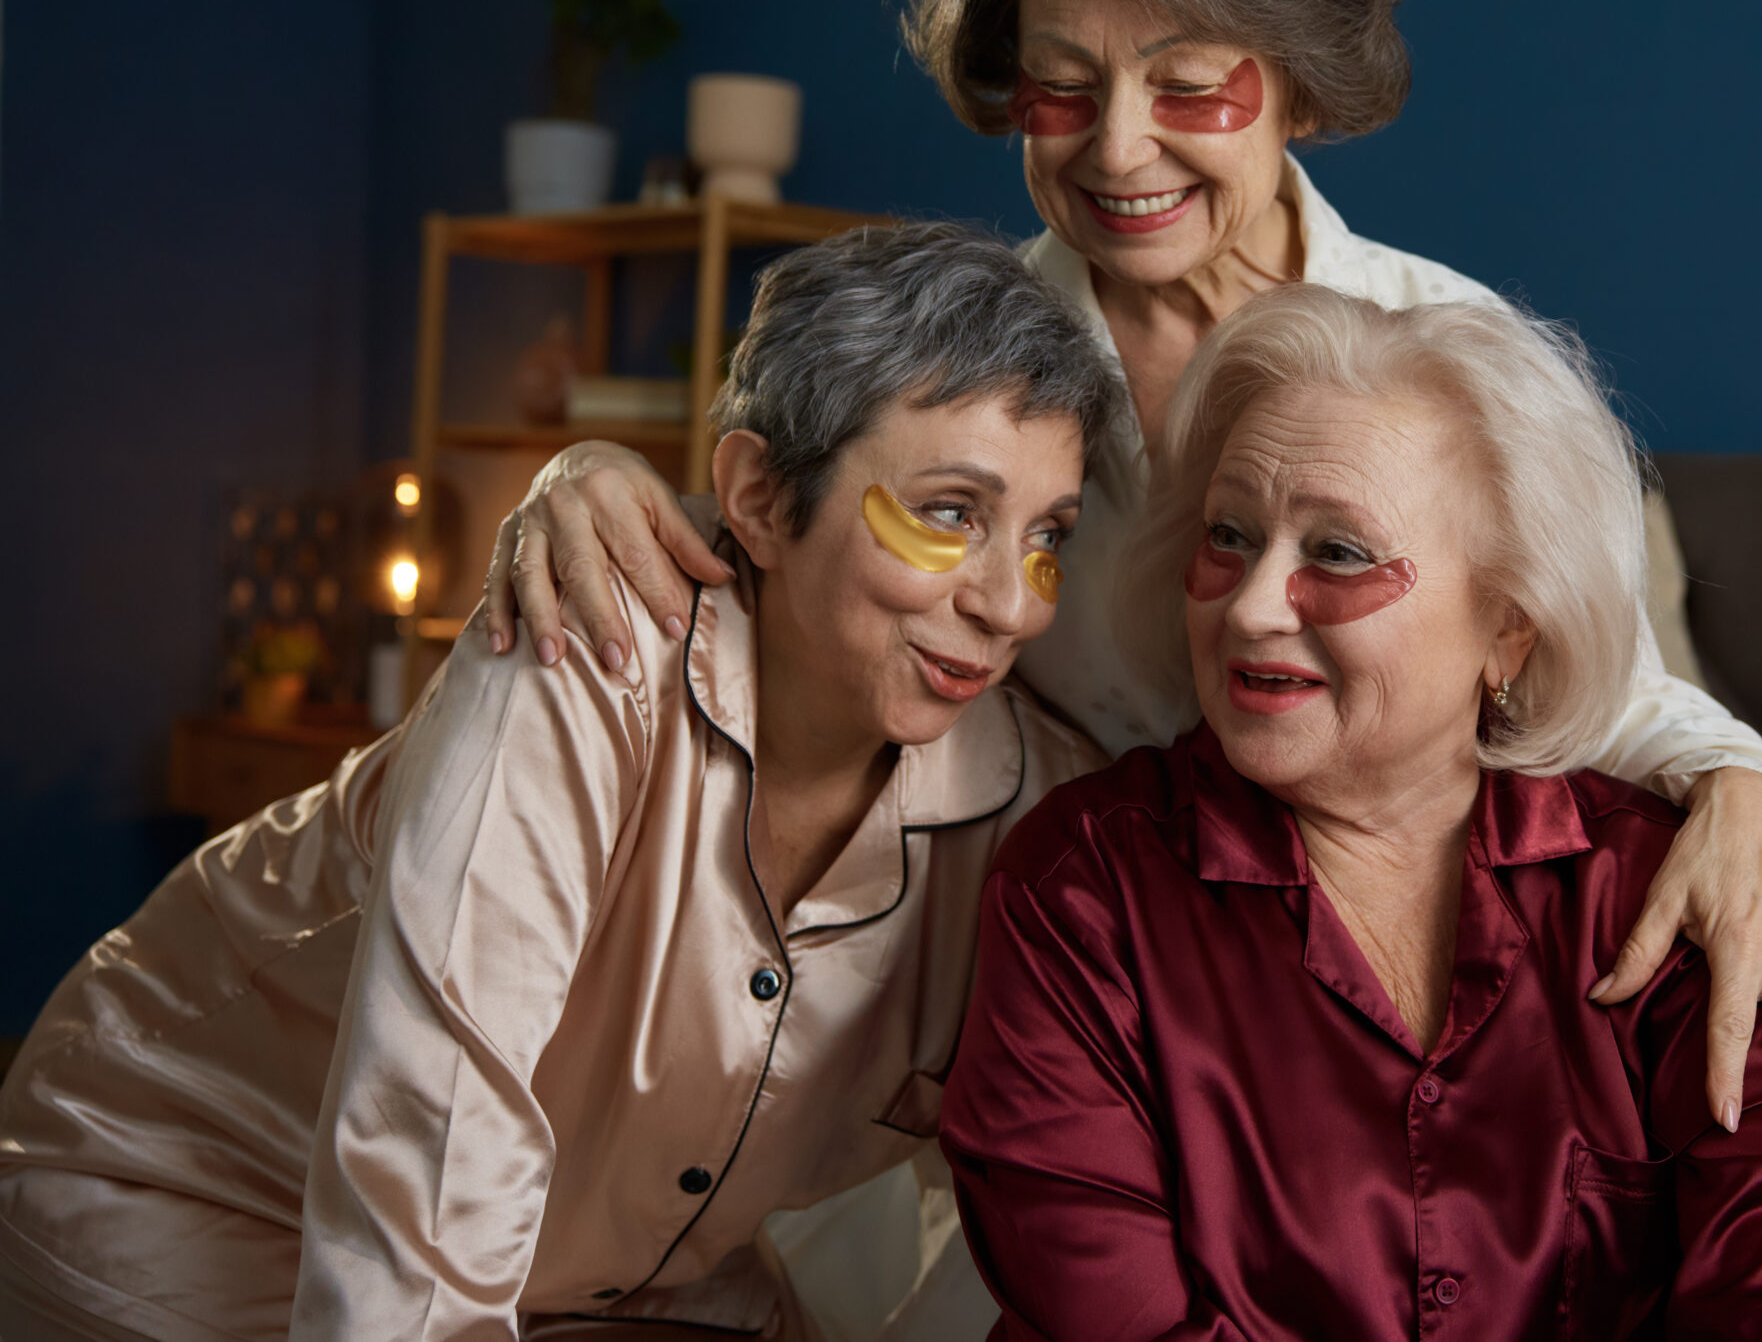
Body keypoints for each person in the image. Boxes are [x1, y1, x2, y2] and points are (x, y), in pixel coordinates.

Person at [485, 0, 1762, 1146]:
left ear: (1301, 94)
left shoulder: (1452, 353)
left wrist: (1755, 796)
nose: (1118, 148)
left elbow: (1600, 694)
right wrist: (583, 479)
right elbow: (802, 558)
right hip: (1074, 1023)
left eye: (1189, 83)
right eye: (1062, 86)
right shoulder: (965, 362)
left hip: (1405, 1054)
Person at [0, 224, 1116, 1341]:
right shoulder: (577, 649)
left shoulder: (1041, 815)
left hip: (594, 1270)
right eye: (950, 513)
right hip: (178, 1193)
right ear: (764, 500)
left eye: (1045, 536)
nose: (1011, 605)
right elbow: (422, 1194)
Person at [941, 285, 1762, 1339]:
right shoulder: (1079, 894)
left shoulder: (1658, 891)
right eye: (1229, 535)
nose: (1253, 606)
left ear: (1508, 629)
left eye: (1339, 553)